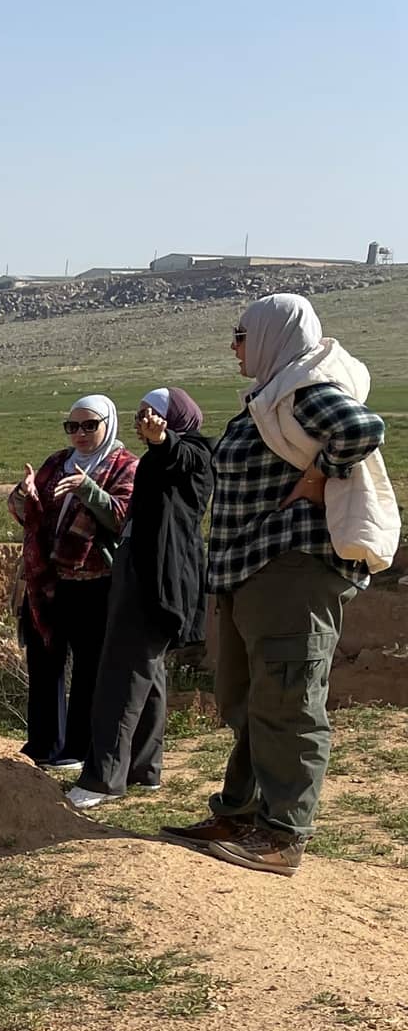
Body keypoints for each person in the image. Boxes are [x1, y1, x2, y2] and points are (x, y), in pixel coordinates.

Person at [164, 294, 390, 875]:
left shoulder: (304, 391)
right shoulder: (273, 393)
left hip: (291, 569)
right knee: (250, 702)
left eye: (241, 335)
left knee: (289, 702)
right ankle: (240, 813)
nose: (234, 347)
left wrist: (317, 476)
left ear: (272, 334)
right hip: (251, 571)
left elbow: (362, 427)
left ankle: (283, 833)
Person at [67, 388, 213, 807]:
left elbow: (178, 457)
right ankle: (143, 768)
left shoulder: (195, 453)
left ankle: (102, 780)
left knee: (121, 676)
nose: (144, 421)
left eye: (154, 414)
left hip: (156, 580)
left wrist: (163, 440)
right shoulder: (159, 458)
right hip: (145, 574)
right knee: (147, 675)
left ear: (175, 419)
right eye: (141, 415)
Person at [8, 396, 137, 774]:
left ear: (108, 424)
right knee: (43, 661)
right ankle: (43, 743)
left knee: (88, 669)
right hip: (47, 580)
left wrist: (88, 490)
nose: (80, 434)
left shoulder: (125, 466)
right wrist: (24, 495)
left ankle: (79, 747)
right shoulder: (57, 463)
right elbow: (30, 515)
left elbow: (122, 516)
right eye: (72, 426)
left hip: (94, 583)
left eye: (89, 425)